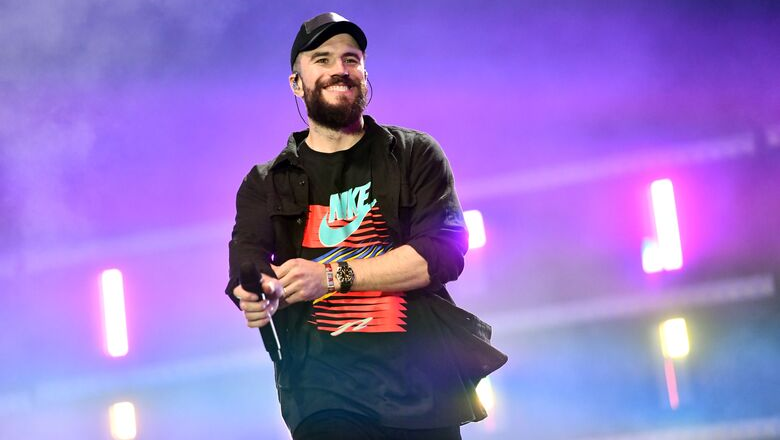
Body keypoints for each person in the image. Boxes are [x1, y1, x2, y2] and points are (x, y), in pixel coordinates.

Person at [226, 12, 488, 440]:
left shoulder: (414, 154)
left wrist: (329, 276)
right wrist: (258, 293)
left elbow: (443, 253)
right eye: (323, 59)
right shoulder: (265, 182)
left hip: (422, 389)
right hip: (323, 393)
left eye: (352, 59)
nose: (340, 69)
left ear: (364, 75)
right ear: (296, 83)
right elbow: (247, 260)